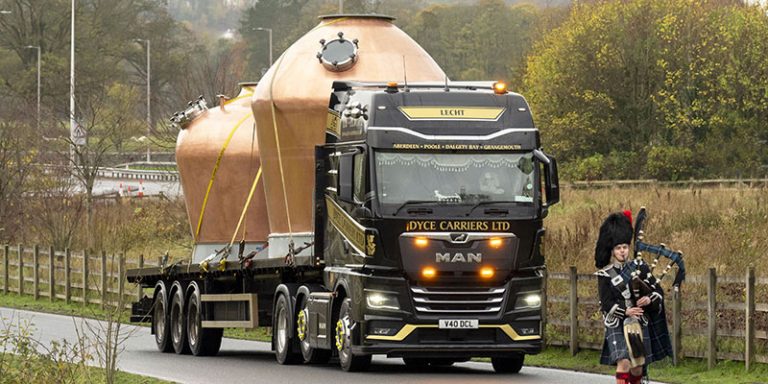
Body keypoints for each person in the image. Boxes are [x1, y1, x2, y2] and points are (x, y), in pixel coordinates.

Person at [594, 211, 672, 384]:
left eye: (625, 247)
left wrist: (649, 299)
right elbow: (605, 303)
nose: (622, 251)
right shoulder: (605, 274)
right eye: (618, 248)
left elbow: (658, 292)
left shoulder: (640, 268)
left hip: (637, 321)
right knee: (624, 362)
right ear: (612, 251)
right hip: (617, 321)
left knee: (637, 366)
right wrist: (626, 310)